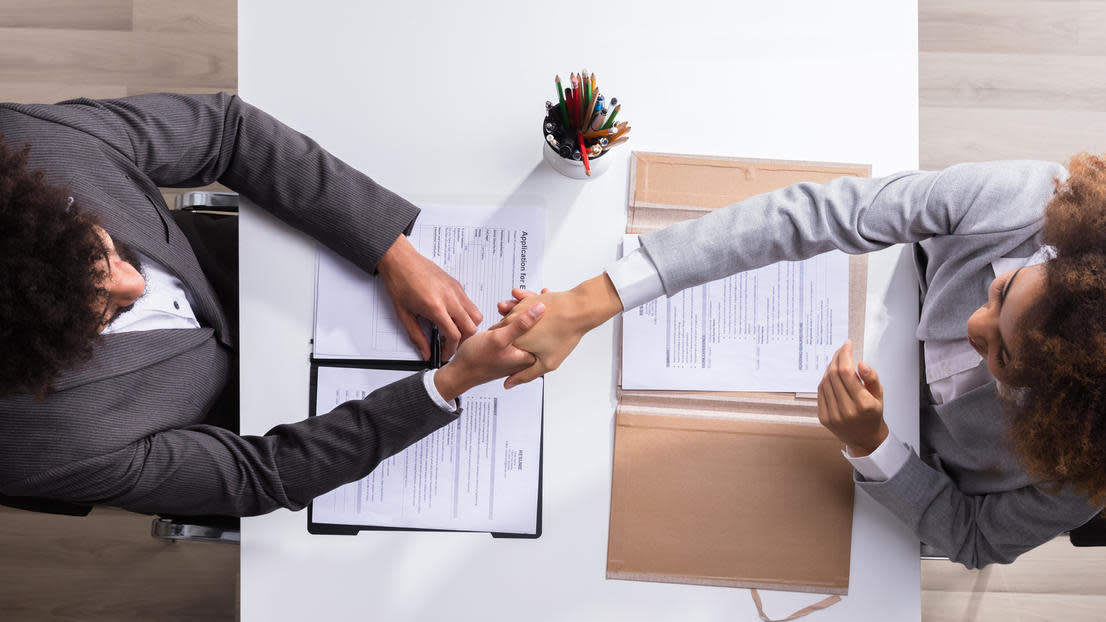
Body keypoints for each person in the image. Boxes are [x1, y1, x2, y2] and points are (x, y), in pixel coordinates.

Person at [495, 155, 1106, 568]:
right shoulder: (1027, 202)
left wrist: (875, 447)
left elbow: (975, 538)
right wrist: (592, 300)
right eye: (1001, 290)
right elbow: (817, 214)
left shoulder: (1084, 468)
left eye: (1001, 354)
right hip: (869, 299)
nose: (972, 321)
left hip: (881, 486)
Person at [0, 92, 539, 517]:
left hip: (242, 262)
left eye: (108, 253)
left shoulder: (36, 145)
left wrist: (388, 248)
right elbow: (258, 476)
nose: (136, 287)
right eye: (109, 312)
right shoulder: (39, 443)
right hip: (232, 417)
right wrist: (448, 385)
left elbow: (226, 131)